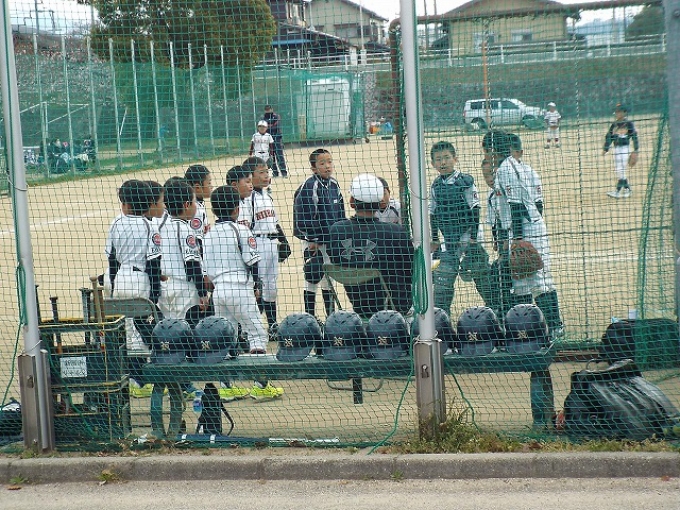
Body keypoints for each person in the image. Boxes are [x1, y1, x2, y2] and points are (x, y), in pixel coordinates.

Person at [203, 185, 284, 400]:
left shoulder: (208, 234)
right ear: (237, 209)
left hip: (219, 292)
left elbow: (206, 271)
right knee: (256, 333)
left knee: (225, 336)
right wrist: (257, 285)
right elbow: (252, 262)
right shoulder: (241, 230)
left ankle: (226, 388)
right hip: (239, 288)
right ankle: (261, 385)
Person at [494, 133, 564, 339]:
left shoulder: (506, 169)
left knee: (538, 280)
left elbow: (516, 206)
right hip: (524, 228)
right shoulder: (520, 168)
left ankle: (555, 326)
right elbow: (538, 205)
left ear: (492, 150)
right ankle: (526, 331)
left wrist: (518, 239)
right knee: (521, 283)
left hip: (525, 231)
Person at [328, 174, 413, 318]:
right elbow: (410, 271)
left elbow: (335, 260)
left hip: (359, 304)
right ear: (379, 203)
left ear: (352, 202)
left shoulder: (337, 230)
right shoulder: (395, 232)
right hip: (395, 309)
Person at [428, 141, 491, 318]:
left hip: (469, 234)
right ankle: (441, 317)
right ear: (433, 164)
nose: (443, 162)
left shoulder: (465, 182)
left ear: (455, 159)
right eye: (438, 159)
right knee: (443, 276)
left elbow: (475, 209)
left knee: (480, 271)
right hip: (449, 237)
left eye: (447, 158)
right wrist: (435, 238)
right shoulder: (436, 186)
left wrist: (473, 239)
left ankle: (494, 309)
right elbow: (433, 214)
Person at [293, 148, 346, 321]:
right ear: (314, 168)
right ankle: (310, 317)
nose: (327, 166)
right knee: (312, 276)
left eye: (329, 162)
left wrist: (340, 234)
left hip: (329, 241)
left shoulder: (334, 185)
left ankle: (330, 316)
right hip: (313, 242)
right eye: (322, 163)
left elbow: (340, 212)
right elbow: (303, 215)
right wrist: (311, 239)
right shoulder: (310, 186)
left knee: (328, 278)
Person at [243, 156, 290, 339]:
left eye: (267, 172)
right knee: (257, 286)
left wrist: (284, 241)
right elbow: (246, 227)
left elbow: (275, 222)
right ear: (250, 176)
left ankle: (272, 325)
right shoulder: (248, 199)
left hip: (271, 243)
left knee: (271, 288)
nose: (266, 176)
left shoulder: (267, 195)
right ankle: (250, 328)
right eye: (261, 173)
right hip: (258, 243)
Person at [603, 103, 639, 199]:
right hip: (616, 149)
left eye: (619, 111)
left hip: (625, 148)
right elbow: (609, 137)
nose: (617, 113)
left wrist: (636, 149)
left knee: (620, 169)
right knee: (619, 170)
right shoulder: (614, 124)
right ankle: (626, 189)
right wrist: (606, 148)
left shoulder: (629, 124)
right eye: (616, 111)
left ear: (624, 112)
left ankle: (619, 191)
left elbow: (634, 136)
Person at [263, 105, 288, 177]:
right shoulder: (263, 118)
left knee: (280, 156)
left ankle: (284, 172)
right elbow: (263, 128)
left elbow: (276, 126)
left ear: (272, 109)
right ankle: (275, 172)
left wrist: (268, 126)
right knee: (271, 157)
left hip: (277, 139)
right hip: (267, 140)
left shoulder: (276, 116)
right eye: (267, 110)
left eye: (269, 109)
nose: (268, 111)